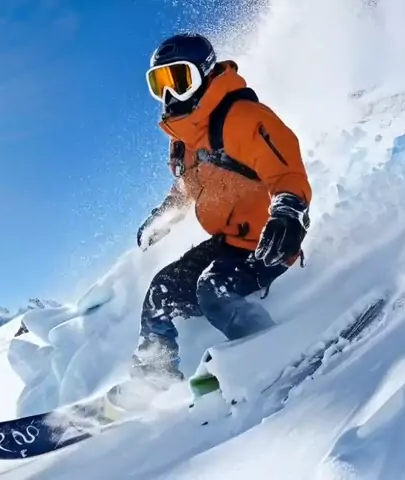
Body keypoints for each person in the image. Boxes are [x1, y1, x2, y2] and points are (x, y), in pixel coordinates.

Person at [130, 33, 312, 389]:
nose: (169, 93)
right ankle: (155, 376)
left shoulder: (242, 118)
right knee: (161, 291)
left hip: (270, 240)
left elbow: (286, 169)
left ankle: (270, 357)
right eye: (159, 84)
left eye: (179, 79)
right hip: (229, 242)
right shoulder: (184, 141)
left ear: (204, 72)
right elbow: (186, 188)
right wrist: (163, 217)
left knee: (213, 288)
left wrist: (288, 211)